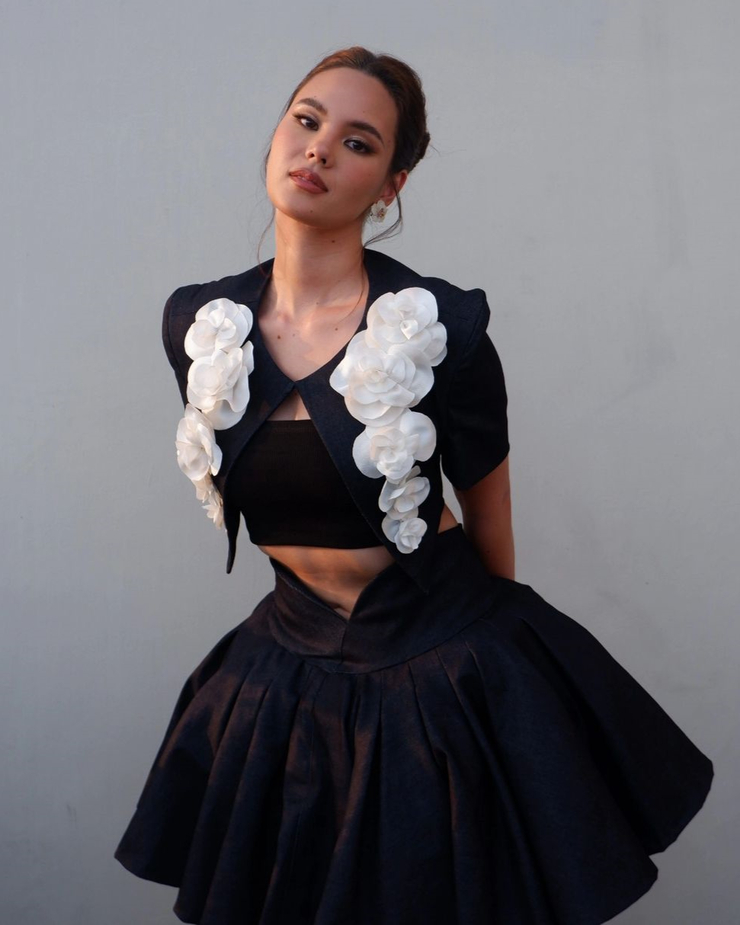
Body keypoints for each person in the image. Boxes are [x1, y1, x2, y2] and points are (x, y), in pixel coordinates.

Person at [114, 47, 713, 925]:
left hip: (436, 662)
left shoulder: (438, 330)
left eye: (358, 143)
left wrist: (495, 699)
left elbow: (492, 526)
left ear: (390, 186)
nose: (319, 149)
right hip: (286, 670)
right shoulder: (200, 327)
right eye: (307, 121)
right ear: (277, 136)